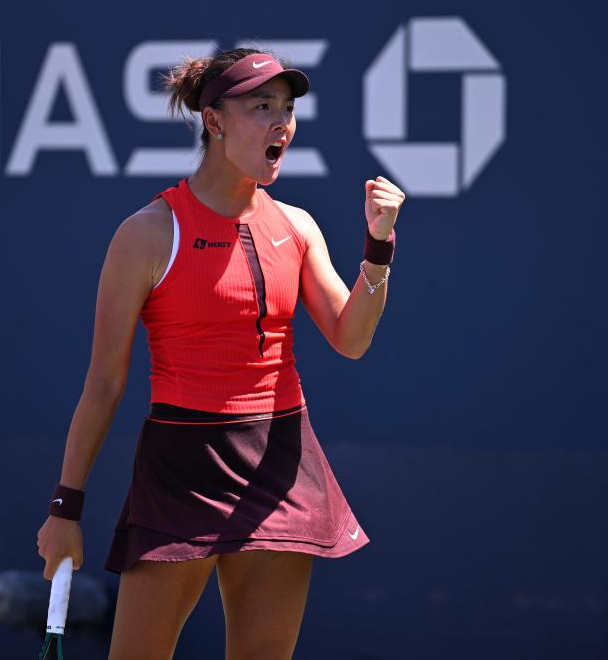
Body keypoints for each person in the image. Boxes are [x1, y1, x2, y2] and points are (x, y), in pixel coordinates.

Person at [36, 47, 405, 660]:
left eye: (287, 109)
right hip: (181, 466)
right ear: (214, 121)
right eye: (262, 107)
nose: (281, 122)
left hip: (280, 462)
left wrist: (378, 248)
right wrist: (64, 508)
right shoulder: (148, 234)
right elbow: (104, 383)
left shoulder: (298, 226)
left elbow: (352, 339)